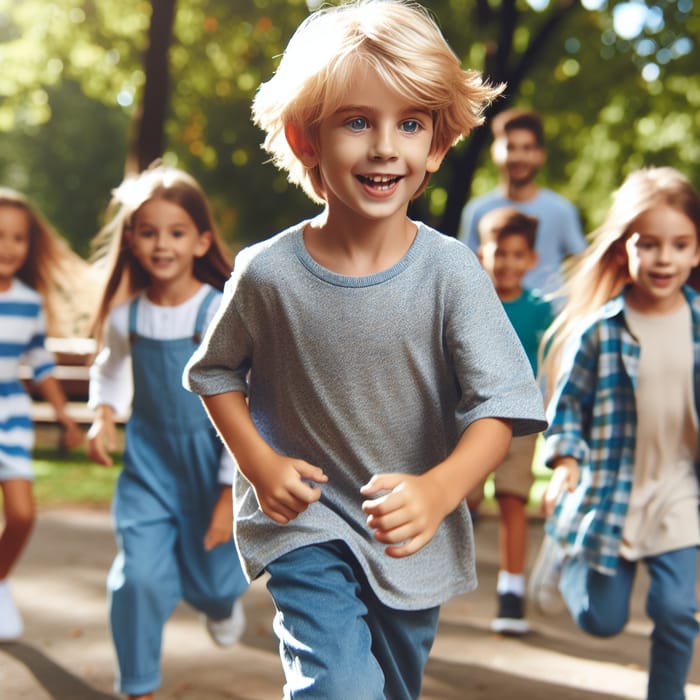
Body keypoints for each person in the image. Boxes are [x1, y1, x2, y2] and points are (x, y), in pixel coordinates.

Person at [184, 2, 547, 698]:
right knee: (340, 688)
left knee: (390, 687)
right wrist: (259, 466)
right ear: (305, 138)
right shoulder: (268, 271)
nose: (386, 147)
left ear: (437, 146)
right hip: (305, 523)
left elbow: (501, 409)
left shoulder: (452, 272)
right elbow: (216, 371)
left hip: (409, 534)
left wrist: (439, 491)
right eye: (358, 121)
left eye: (410, 124)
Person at [86, 164, 248, 700]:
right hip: (149, 468)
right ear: (131, 239)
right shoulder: (125, 316)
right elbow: (109, 369)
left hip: (213, 465)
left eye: (176, 232)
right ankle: (138, 685)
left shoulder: (216, 308)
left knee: (215, 581)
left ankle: (221, 605)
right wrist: (103, 414)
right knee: (139, 578)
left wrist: (228, 492)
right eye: (149, 232)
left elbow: (240, 401)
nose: (162, 245)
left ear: (201, 240)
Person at [539, 166, 700, 700]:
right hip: (612, 492)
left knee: (676, 609)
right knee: (600, 619)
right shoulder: (602, 330)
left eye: (679, 245)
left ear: (696, 252)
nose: (664, 259)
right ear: (622, 251)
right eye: (649, 244)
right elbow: (567, 410)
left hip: (679, 491)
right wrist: (565, 465)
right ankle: (569, 560)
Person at [0, 188, 83, 641]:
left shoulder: (29, 301)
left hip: (10, 416)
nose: (8, 247)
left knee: (22, 514)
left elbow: (40, 363)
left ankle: (0, 580)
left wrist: (63, 415)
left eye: (18, 238)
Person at [467, 206, 553, 635]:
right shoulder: (471, 300)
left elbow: (553, 364)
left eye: (518, 256)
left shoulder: (542, 311)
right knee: (465, 500)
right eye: (500, 254)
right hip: (469, 417)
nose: (508, 264)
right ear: (482, 253)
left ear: (531, 260)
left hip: (520, 418)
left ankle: (512, 589)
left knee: (513, 499)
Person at [458, 108, 587, 297]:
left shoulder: (562, 211)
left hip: (546, 321)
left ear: (540, 154)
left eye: (527, 148)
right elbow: (463, 273)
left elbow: (583, 264)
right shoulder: (477, 211)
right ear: (495, 151)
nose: (518, 157)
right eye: (510, 147)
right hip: (495, 318)